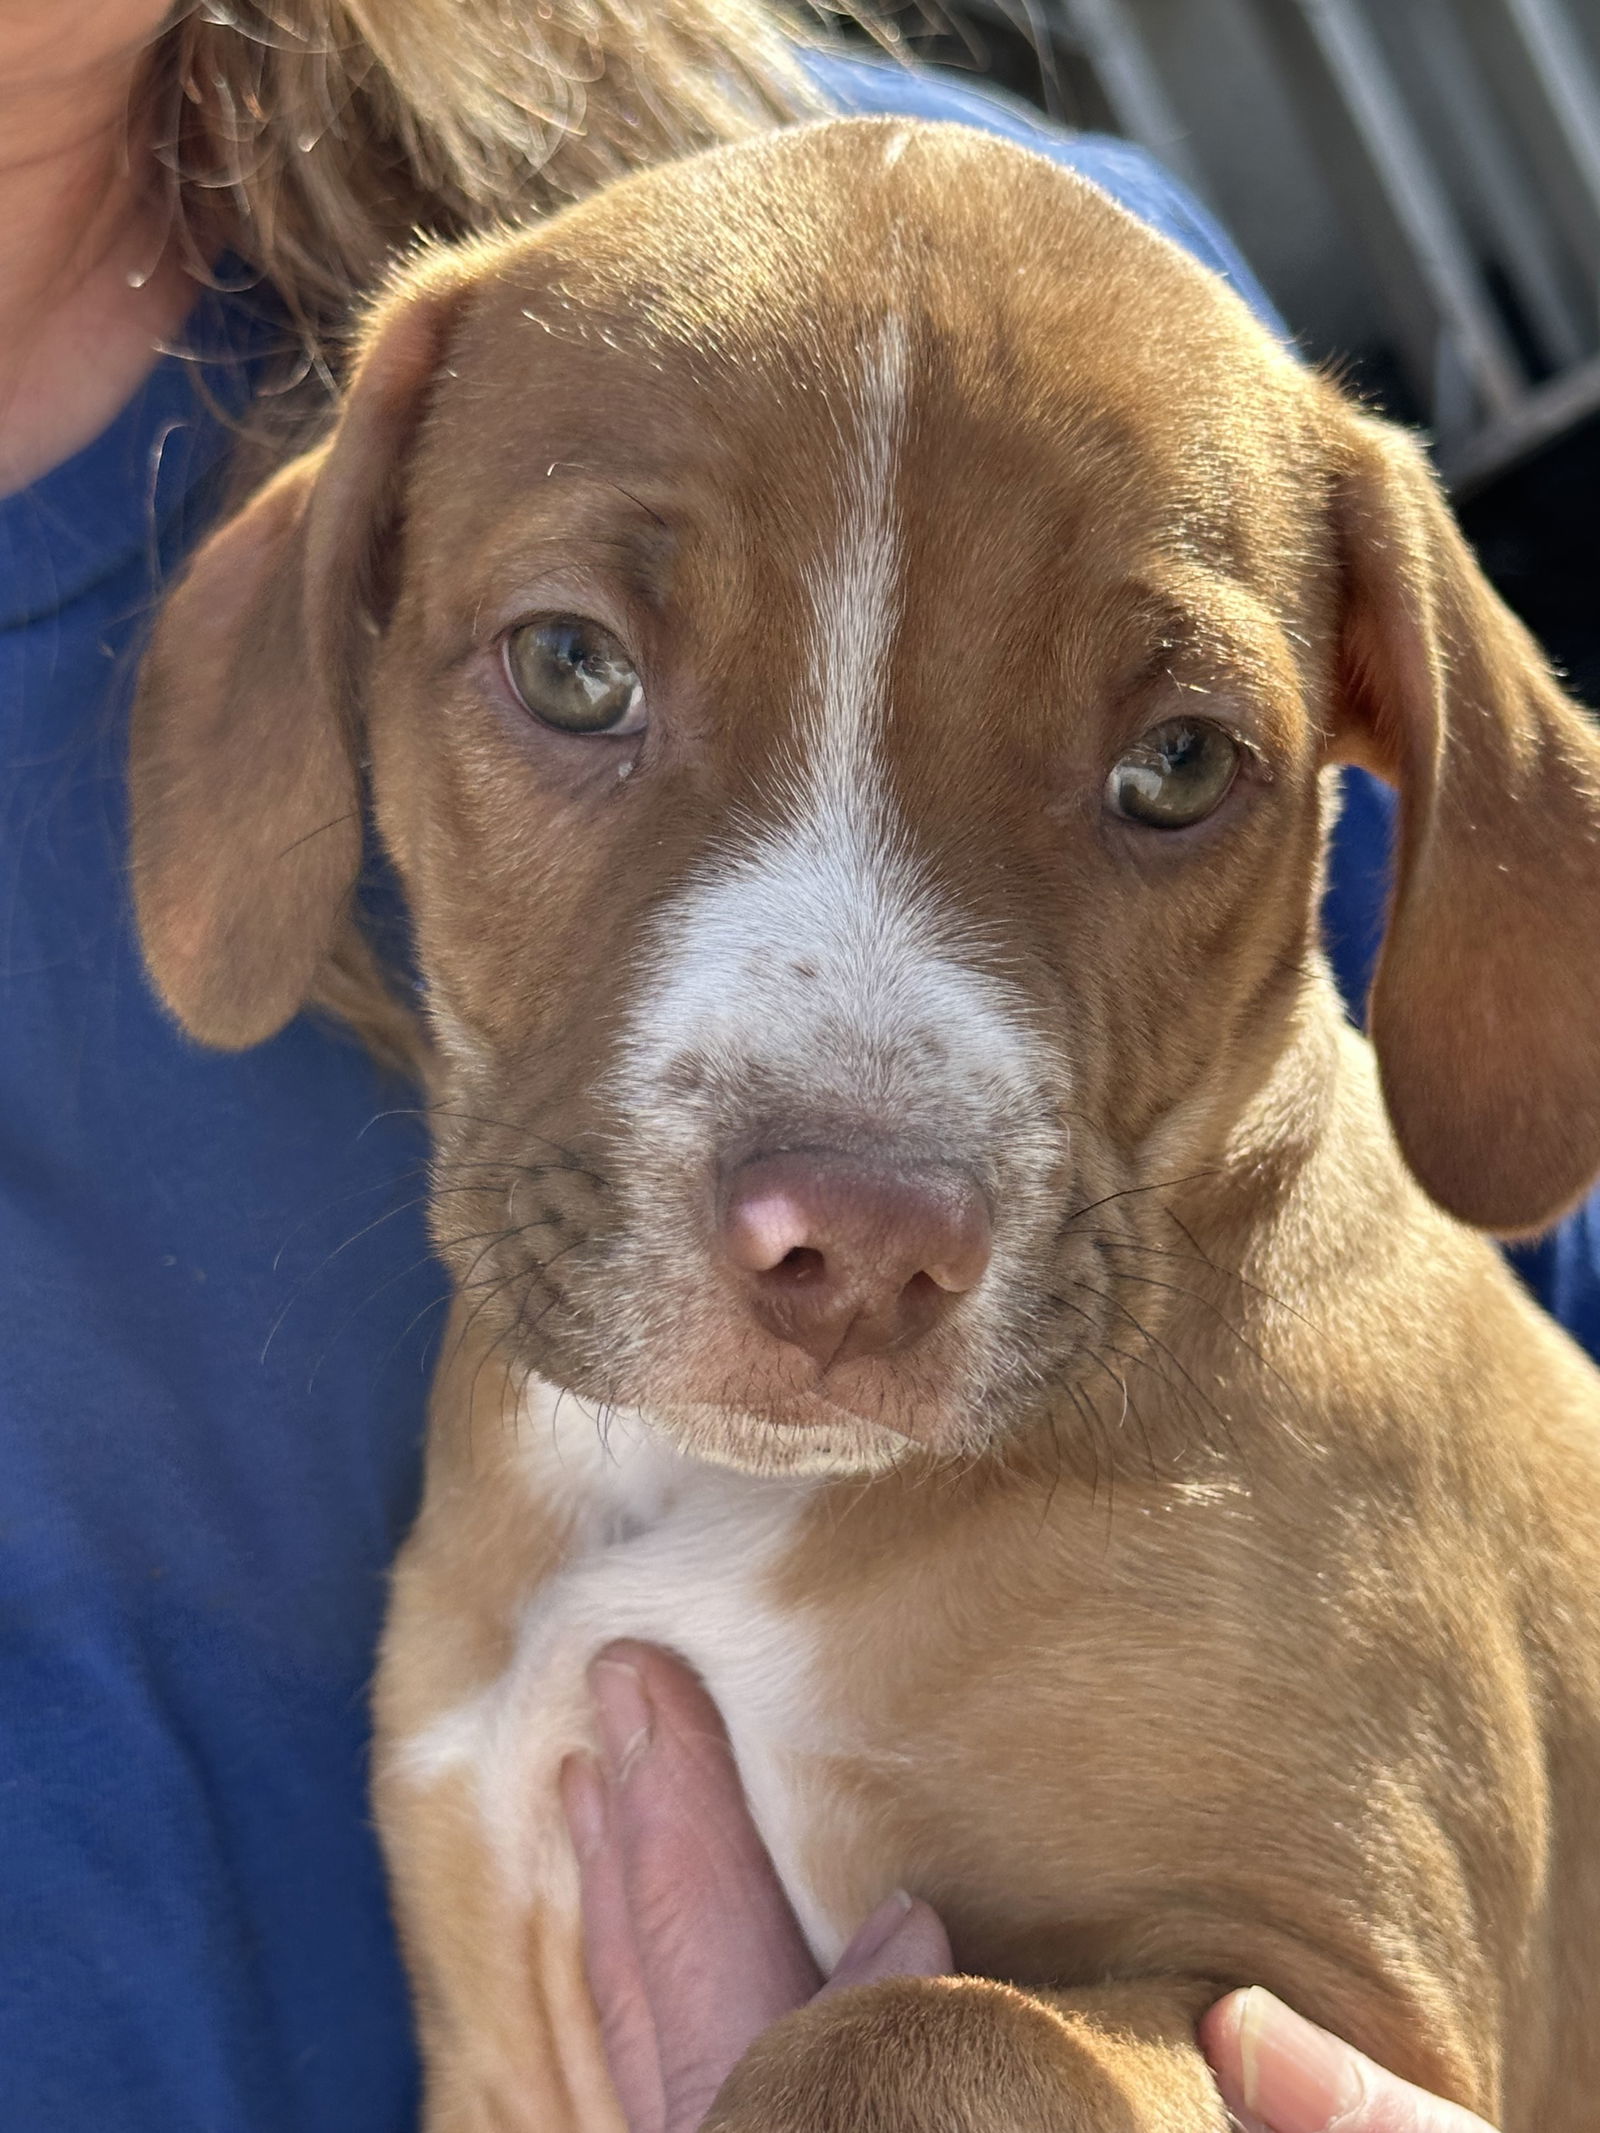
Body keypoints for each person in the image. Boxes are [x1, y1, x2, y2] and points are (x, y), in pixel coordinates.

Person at [0, 2, 1542, 2126]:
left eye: (1172, 766)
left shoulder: (1105, 326)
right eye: (576, 671)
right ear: (326, 628)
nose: (849, 1189)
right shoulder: (513, 1452)